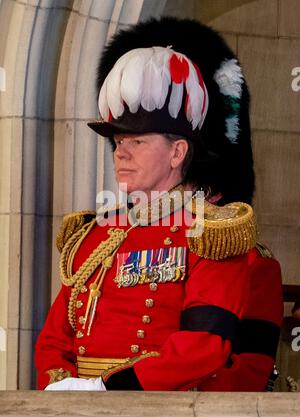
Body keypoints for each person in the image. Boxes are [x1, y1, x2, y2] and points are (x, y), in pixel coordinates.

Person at [35, 17, 283, 391]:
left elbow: (205, 349)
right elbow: (56, 338)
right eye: (118, 142)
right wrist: (59, 386)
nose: (121, 153)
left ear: (177, 152)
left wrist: (109, 390)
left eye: (137, 142)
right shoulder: (95, 234)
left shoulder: (210, 235)